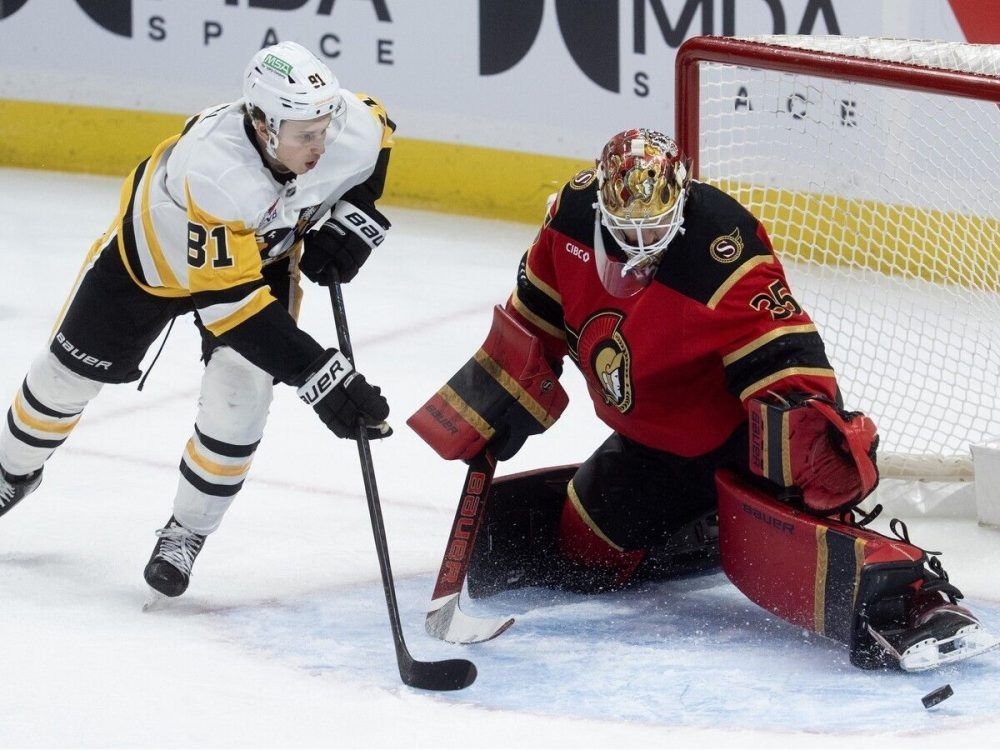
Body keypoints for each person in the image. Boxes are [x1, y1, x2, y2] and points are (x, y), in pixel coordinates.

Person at [408, 128, 995, 670]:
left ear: (682, 204)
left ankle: (916, 601)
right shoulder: (570, 219)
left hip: (738, 441)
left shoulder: (722, 244)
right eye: (626, 229)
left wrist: (814, 445)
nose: (639, 246)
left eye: (654, 229)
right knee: (581, 554)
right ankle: (701, 527)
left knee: (804, 526)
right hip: (653, 444)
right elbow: (530, 325)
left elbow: (783, 359)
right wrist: (496, 399)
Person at [0, 41, 394, 599]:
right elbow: (230, 307)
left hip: (260, 259)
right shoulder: (218, 168)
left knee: (239, 399)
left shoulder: (344, 126)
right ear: (262, 124)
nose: (321, 145)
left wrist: (357, 213)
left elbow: (379, 133)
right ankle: (11, 472)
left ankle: (186, 532)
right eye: (305, 135)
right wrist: (319, 375)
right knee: (62, 379)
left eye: (324, 128)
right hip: (150, 262)